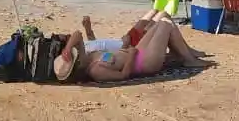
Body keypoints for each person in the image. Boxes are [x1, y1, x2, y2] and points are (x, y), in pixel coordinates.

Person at [81, 16, 212, 83]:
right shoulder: (96, 70)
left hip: (136, 52)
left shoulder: (91, 55)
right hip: (143, 63)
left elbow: (87, 39)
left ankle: (180, 55)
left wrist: (126, 48)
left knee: (163, 20)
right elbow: (123, 76)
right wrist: (131, 55)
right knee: (165, 24)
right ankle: (188, 59)